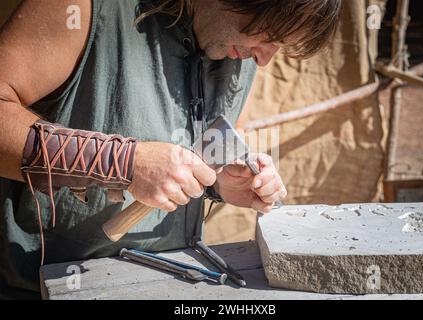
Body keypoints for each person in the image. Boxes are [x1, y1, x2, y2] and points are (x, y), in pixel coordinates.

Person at [0, 0, 341, 298]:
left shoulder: (241, 51)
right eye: (267, 34)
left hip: (167, 283)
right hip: (47, 286)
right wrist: (124, 163)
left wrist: (221, 182)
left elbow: (200, 152)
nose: (264, 59)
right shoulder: (83, 8)